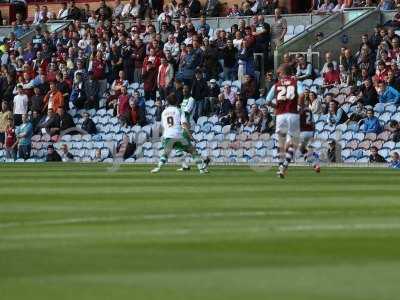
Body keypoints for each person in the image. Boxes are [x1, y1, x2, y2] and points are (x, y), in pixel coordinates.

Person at [151, 93, 208, 174]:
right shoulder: (179, 110)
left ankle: (158, 167)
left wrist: (163, 136)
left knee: (166, 153)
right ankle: (201, 170)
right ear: (177, 101)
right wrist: (190, 136)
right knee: (193, 151)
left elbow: (163, 126)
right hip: (178, 135)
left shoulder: (164, 112)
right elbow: (184, 125)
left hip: (168, 135)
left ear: (167, 102)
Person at [266, 64, 304, 178]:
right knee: (293, 142)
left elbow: (267, 101)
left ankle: (280, 166)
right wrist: (299, 106)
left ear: (283, 73)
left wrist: (276, 107)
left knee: (281, 142)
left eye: (279, 73)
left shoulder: (276, 85)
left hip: (280, 115)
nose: (278, 75)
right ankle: (285, 166)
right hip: (293, 114)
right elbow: (302, 95)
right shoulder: (296, 82)